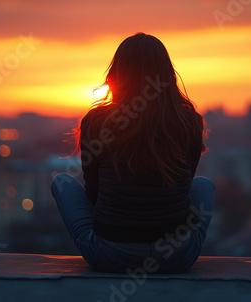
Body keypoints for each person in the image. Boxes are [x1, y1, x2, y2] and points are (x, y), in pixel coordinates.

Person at [51, 32, 214, 273]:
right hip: (177, 256)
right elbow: (185, 184)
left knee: (61, 182)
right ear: (167, 75)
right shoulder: (188, 121)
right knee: (204, 185)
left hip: (112, 256)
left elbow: (94, 193)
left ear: (117, 74)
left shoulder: (97, 122)